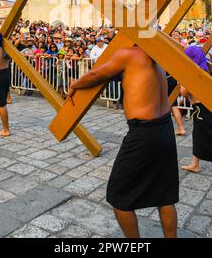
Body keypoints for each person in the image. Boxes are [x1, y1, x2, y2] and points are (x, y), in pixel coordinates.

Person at [67, 45, 178, 239]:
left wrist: (75, 84)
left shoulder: (129, 54)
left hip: (143, 132)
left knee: (118, 195)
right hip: (165, 128)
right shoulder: (157, 54)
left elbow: (95, 75)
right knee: (165, 195)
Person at [180, 46, 212, 183]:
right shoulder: (203, 71)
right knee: (197, 136)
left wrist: (181, 82)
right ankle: (195, 164)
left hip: (201, 109)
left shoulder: (193, 73)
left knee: (209, 139)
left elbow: (184, 92)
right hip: (207, 108)